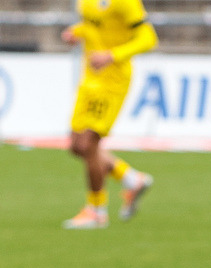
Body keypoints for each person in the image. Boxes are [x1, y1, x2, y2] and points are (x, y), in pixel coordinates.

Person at [60, 0, 157, 229]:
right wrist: (77, 32)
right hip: (90, 78)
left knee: (89, 143)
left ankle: (96, 210)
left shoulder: (125, 2)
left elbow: (149, 39)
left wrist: (112, 55)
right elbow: (95, 26)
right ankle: (132, 179)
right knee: (77, 146)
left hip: (112, 81)